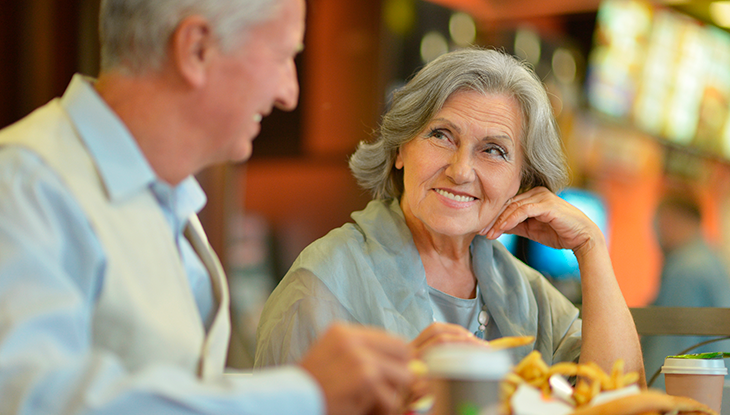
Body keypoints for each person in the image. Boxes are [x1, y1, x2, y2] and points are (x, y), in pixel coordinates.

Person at [0, 0, 416, 414]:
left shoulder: (164, 193)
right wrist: (305, 394)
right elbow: (30, 399)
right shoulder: (23, 185)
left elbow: (176, 384)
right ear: (197, 49)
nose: (288, 93)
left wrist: (375, 375)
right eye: (282, 55)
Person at [255, 48, 645, 382]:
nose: (460, 170)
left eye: (493, 150)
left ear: (523, 184)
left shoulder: (528, 294)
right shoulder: (324, 281)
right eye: (441, 135)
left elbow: (619, 397)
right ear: (400, 150)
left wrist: (591, 247)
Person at [642, 193, 730, 390]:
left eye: (658, 222)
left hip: (686, 394)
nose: (656, 233)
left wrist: (650, 398)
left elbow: (669, 351)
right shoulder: (711, 259)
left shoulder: (684, 270)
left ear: (669, 220)